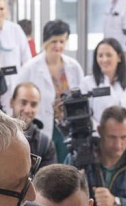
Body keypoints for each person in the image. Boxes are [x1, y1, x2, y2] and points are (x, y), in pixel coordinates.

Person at [19, 21, 84, 162]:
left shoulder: (74, 67)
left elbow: (81, 97)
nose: (58, 45)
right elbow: (19, 95)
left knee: (66, 165)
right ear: (46, 42)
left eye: (62, 41)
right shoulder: (30, 68)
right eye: (54, 41)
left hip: (67, 127)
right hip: (43, 126)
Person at [82, 37, 126, 143]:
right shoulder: (87, 83)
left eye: (109, 55)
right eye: (100, 56)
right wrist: (104, 134)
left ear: (119, 57)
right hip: (100, 140)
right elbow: (86, 116)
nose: (104, 59)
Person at [8, 81, 58, 166]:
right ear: (12, 102)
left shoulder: (45, 144)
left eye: (33, 105)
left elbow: (49, 174)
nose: (28, 110)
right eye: (23, 103)